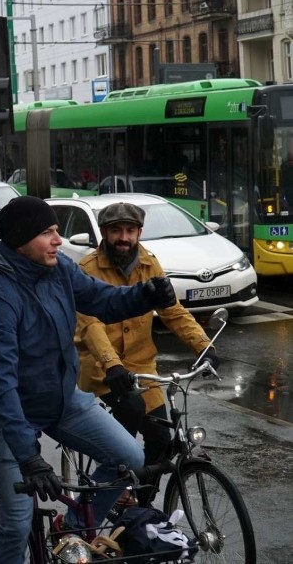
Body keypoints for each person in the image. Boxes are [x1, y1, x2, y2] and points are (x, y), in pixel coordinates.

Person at [0, 196, 177, 564]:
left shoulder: (59, 269)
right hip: (12, 416)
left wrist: (145, 295)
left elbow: (103, 300)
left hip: (63, 400)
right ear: (21, 240)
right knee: (17, 523)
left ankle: (74, 530)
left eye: (56, 231)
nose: (57, 240)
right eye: (47, 232)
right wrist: (29, 458)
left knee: (129, 456)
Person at [74, 202, 220, 488]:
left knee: (162, 441)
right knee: (129, 411)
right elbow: (90, 324)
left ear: (139, 232)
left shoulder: (149, 263)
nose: (124, 238)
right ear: (104, 232)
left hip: (142, 368)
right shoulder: (87, 268)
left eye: (130, 230)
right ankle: (114, 486)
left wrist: (204, 346)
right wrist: (112, 364)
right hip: (103, 371)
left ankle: (141, 503)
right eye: (116, 231)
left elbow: (172, 310)